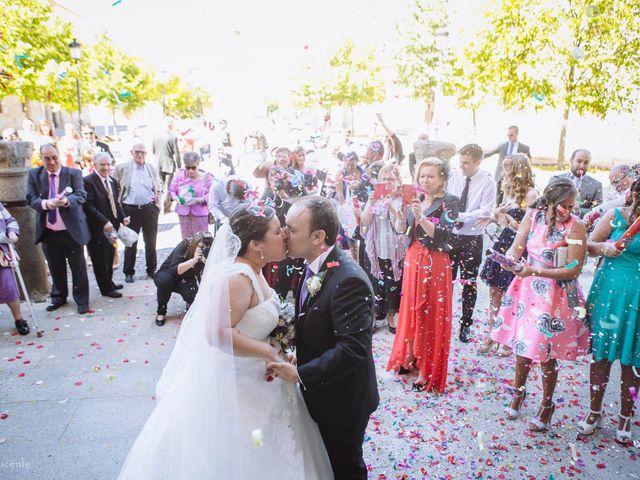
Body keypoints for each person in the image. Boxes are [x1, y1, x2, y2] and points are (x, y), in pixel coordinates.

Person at [118, 206, 332, 479]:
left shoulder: (256, 269)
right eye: (278, 231)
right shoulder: (237, 278)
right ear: (256, 244)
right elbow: (218, 333)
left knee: (266, 445)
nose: (285, 235)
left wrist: (279, 348)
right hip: (239, 388)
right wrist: (267, 350)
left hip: (262, 381)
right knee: (248, 449)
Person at [269, 196, 379, 480]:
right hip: (324, 392)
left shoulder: (348, 279)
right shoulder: (314, 263)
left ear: (318, 236)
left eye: (291, 229)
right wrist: (300, 353)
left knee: (345, 467)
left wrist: (299, 373)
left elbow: (353, 350)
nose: (283, 234)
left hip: (343, 400)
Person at [491, 178, 589, 432]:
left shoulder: (576, 227)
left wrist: (535, 271)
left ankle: (547, 404)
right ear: (551, 201)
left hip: (554, 295)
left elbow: (574, 268)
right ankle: (518, 394)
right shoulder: (533, 215)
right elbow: (518, 246)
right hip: (526, 290)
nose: (569, 209)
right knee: (522, 347)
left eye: (572, 204)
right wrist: (509, 260)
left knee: (545, 354)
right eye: (565, 204)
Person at [386, 158, 460, 392]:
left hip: (435, 263)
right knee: (409, 309)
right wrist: (398, 216)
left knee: (429, 313)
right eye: (421, 176)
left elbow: (445, 236)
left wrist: (422, 217)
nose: (424, 180)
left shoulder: (450, 202)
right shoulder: (414, 199)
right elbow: (404, 231)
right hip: (412, 259)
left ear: (442, 179)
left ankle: (428, 369)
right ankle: (409, 356)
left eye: (430, 176)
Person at [578, 178, 640, 444]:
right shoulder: (614, 216)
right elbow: (588, 247)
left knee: (632, 362)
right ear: (634, 194)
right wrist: (605, 248)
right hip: (608, 293)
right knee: (601, 355)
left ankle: (627, 416)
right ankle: (594, 410)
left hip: (637, 299)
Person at [478, 154, 537, 355]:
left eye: (508, 169)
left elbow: (531, 228)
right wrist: (497, 214)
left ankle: (508, 338)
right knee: (494, 291)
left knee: (511, 293)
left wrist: (510, 221)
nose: (504, 173)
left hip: (520, 247)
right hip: (504, 242)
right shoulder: (508, 191)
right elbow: (500, 219)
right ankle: (492, 334)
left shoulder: (531, 195)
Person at [25, 143, 91, 314]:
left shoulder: (73, 173)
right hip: (49, 231)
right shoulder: (34, 174)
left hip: (71, 231)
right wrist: (46, 204)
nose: (52, 162)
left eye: (54, 157)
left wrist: (67, 201)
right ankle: (59, 297)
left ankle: (82, 301)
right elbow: (30, 198)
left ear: (59, 156)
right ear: (41, 159)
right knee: (55, 267)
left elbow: (81, 195)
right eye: (47, 159)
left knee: (78, 268)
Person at [447, 143, 497, 343]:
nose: (462, 166)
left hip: (472, 238)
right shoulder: (454, 177)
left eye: (466, 163)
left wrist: (461, 216)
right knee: (446, 281)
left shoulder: (487, 183)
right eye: (460, 161)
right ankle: (444, 320)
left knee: (469, 282)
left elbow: (485, 211)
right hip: (451, 235)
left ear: (478, 162)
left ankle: (466, 324)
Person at [361, 164, 405, 332]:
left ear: (398, 181)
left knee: (394, 282)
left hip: (395, 252)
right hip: (376, 249)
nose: (387, 182)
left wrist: (391, 208)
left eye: (391, 179)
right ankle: (375, 313)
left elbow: (403, 228)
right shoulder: (374, 198)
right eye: (384, 179)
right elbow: (364, 222)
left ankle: (392, 314)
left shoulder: (402, 200)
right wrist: (371, 204)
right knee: (375, 283)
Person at [113, 143, 163, 283]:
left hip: (149, 209)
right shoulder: (122, 168)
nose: (140, 155)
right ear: (131, 152)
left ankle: (151, 270)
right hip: (131, 209)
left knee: (151, 242)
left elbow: (158, 187)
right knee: (130, 242)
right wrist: (120, 209)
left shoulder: (151, 168)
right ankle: (129, 272)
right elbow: (114, 187)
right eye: (137, 152)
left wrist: (157, 205)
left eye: (142, 152)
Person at [83, 152, 129, 299]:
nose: (106, 167)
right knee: (99, 259)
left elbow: (116, 202)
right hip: (97, 228)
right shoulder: (88, 181)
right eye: (102, 164)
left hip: (112, 227)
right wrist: (104, 221)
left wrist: (122, 218)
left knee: (110, 255)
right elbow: (88, 206)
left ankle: (109, 281)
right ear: (95, 165)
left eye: (108, 164)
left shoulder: (113, 181)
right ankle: (105, 288)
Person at [154, 231, 211, 326]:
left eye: (205, 247)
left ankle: (189, 302)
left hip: (186, 279)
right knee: (165, 281)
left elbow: (207, 278)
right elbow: (174, 270)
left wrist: (207, 263)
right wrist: (193, 261)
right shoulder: (184, 245)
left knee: (193, 295)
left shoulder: (210, 253)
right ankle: (161, 311)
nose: (202, 249)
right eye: (200, 246)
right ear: (194, 244)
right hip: (169, 275)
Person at [169, 152, 214, 239]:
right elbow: (172, 191)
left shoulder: (206, 177)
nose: (190, 171)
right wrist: (176, 198)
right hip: (184, 213)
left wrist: (199, 200)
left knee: (201, 240)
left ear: (198, 165)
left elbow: (212, 195)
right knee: (186, 240)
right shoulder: (180, 175)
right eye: (187, 167)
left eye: (193, 168)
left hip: (200, 214)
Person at [0, 203, 29, 335]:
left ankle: (19, 319)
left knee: (9, 286)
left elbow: (10, 220)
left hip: (2, 254)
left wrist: (12, 232)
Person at [483, 125, 531, 204]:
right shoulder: (502, 145)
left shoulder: (524, 148)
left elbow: (528, 164)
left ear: (517, 134)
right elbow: (489, 153)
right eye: (508, 135)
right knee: (499, 198)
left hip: (515, 177)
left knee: (512, 198)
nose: (509, 137)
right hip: (501, 176)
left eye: (511, 135)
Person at [552, 149, 603, 217]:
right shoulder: (556, 180)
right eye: (579, 161)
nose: (582, 166)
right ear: (571, 160)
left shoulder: (596, 185)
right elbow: (549, 204)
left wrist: (579, 211)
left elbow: (597, 210)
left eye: (586, 163)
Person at [153, 120, 182, 213]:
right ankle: (164, 207)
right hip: (168, 164)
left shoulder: (156, 137)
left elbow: (153, 150)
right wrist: (179, 165)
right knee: (167, 186)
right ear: (171, 126)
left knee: (160, 186)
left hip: (158, 164)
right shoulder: (172, 137)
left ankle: (161, 205)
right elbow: (176, 153)